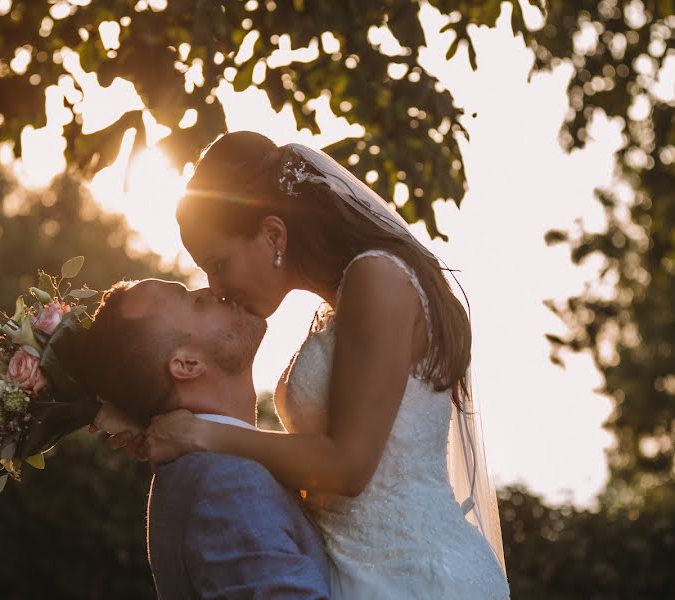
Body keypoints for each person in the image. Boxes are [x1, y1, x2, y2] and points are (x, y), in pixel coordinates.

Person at [136, 131, 510, 598]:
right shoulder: (335, 306)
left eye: (217, 263)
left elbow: (349, 466)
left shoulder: (378, 278)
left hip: (412, 576)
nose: (216, 286)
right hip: (352, 569)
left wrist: (204, 434)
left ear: (272, 234)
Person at [81, 278, 331, 599]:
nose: (216, 291)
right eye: (197, 302)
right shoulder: (224, 481)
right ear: (187, 364)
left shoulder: (205, 469)